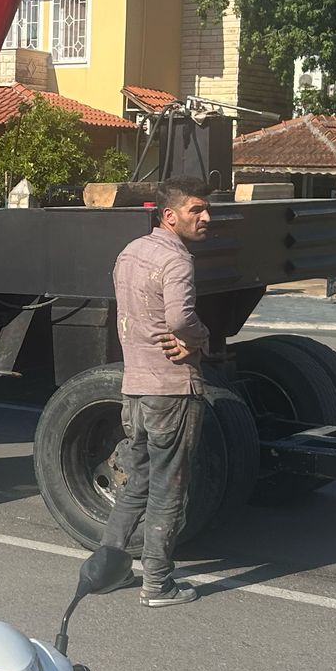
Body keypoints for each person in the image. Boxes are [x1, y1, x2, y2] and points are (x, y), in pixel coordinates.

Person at [94, 177, 213, 609]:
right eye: (196, 210)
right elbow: (181, 320)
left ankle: (105, 571)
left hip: (136, 387)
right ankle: (157, 584)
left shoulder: (130, 254)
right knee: (168, 488)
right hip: (172, 388)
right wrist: (201, 337)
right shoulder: (176, 261)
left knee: (137, 481)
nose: (206, 217)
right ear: (170, 216)